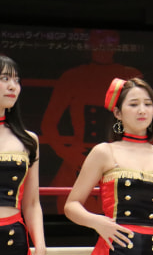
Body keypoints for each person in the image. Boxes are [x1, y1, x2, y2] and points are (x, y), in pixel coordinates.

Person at [64, 77, 153, 255]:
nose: (142, 110)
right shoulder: (104, 152)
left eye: (148, 104)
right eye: (133, 104)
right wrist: (97, 222)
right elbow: (71, 205)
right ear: (117, 113)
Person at [41, 29, 142, 213]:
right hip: (78, 161)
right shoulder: (72, 76)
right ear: (89, 41)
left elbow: (143, 123)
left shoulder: (131, 76)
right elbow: (48, 124)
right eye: (100, 36)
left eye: (112, 36)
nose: (106, 41)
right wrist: (69, 154)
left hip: (121, 161)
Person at [0, 47, 47, 255]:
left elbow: (32, 203)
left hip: (11, 243)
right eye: (4, 79)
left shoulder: (29, 140)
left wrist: (40, 250)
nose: (13, 86)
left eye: (16, 80)